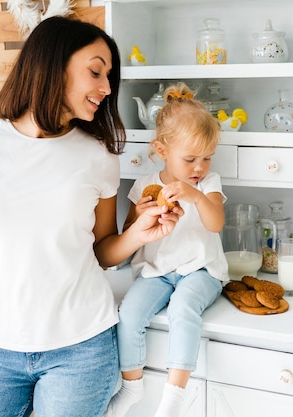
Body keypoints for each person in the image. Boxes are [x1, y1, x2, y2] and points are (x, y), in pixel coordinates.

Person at [0, 16, 182, 417]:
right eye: (95, 71)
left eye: (109, 77)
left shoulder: (98, 156)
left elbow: (101, 251)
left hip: (82, 348)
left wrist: (138, 235)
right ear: (53, 64)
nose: (107, 88)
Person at [105, 82, 229, 417]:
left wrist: (197, 196)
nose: (199, 168)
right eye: (190, 159)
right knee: (128, 314)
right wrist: (141, 212)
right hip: (156, 271)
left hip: (200, 270)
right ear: (162, 150)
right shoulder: (145, 185)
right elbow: (130, 237)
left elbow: (215, 223)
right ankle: (131, 386)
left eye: (206, 158)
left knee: (183, 309)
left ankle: (174, 396)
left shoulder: (208, 184)